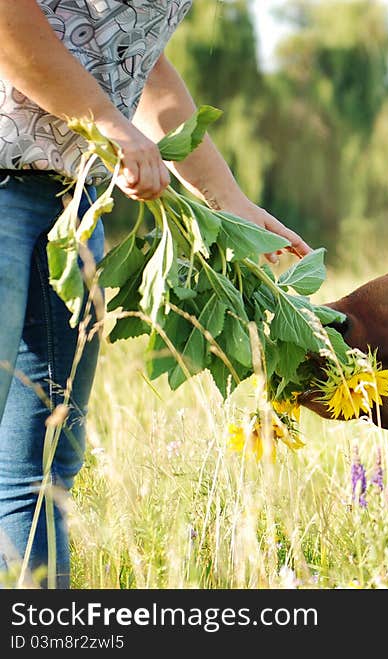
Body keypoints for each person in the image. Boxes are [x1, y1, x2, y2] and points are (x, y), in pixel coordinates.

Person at [0, 0, 310, 588]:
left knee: (41, 468)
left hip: (73, 207)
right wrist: (111, 123)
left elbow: (141, 62)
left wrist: (231, 204)